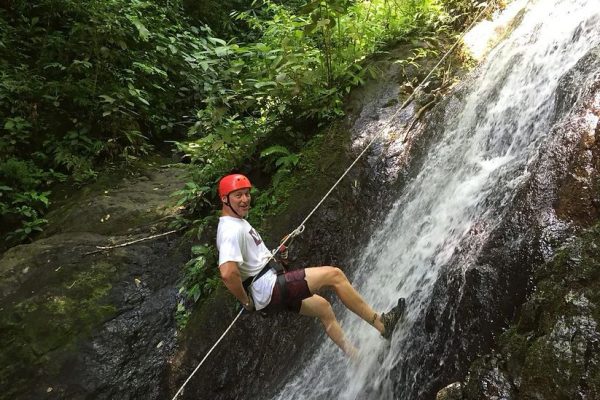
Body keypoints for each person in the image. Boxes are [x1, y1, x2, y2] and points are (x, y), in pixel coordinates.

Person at [216, 173, 405, 358]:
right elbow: (227, 272)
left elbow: (253, 263)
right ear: (225, 199)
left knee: (323, 308)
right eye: (238, 195)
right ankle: (382, 324)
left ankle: (358, 359)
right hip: (269, 288)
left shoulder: (237, 223)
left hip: (269, 288)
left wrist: (279, 254)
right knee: (335, 276)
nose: (245, 199)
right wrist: (246, 302)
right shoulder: (229, 230)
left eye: (247, 194)